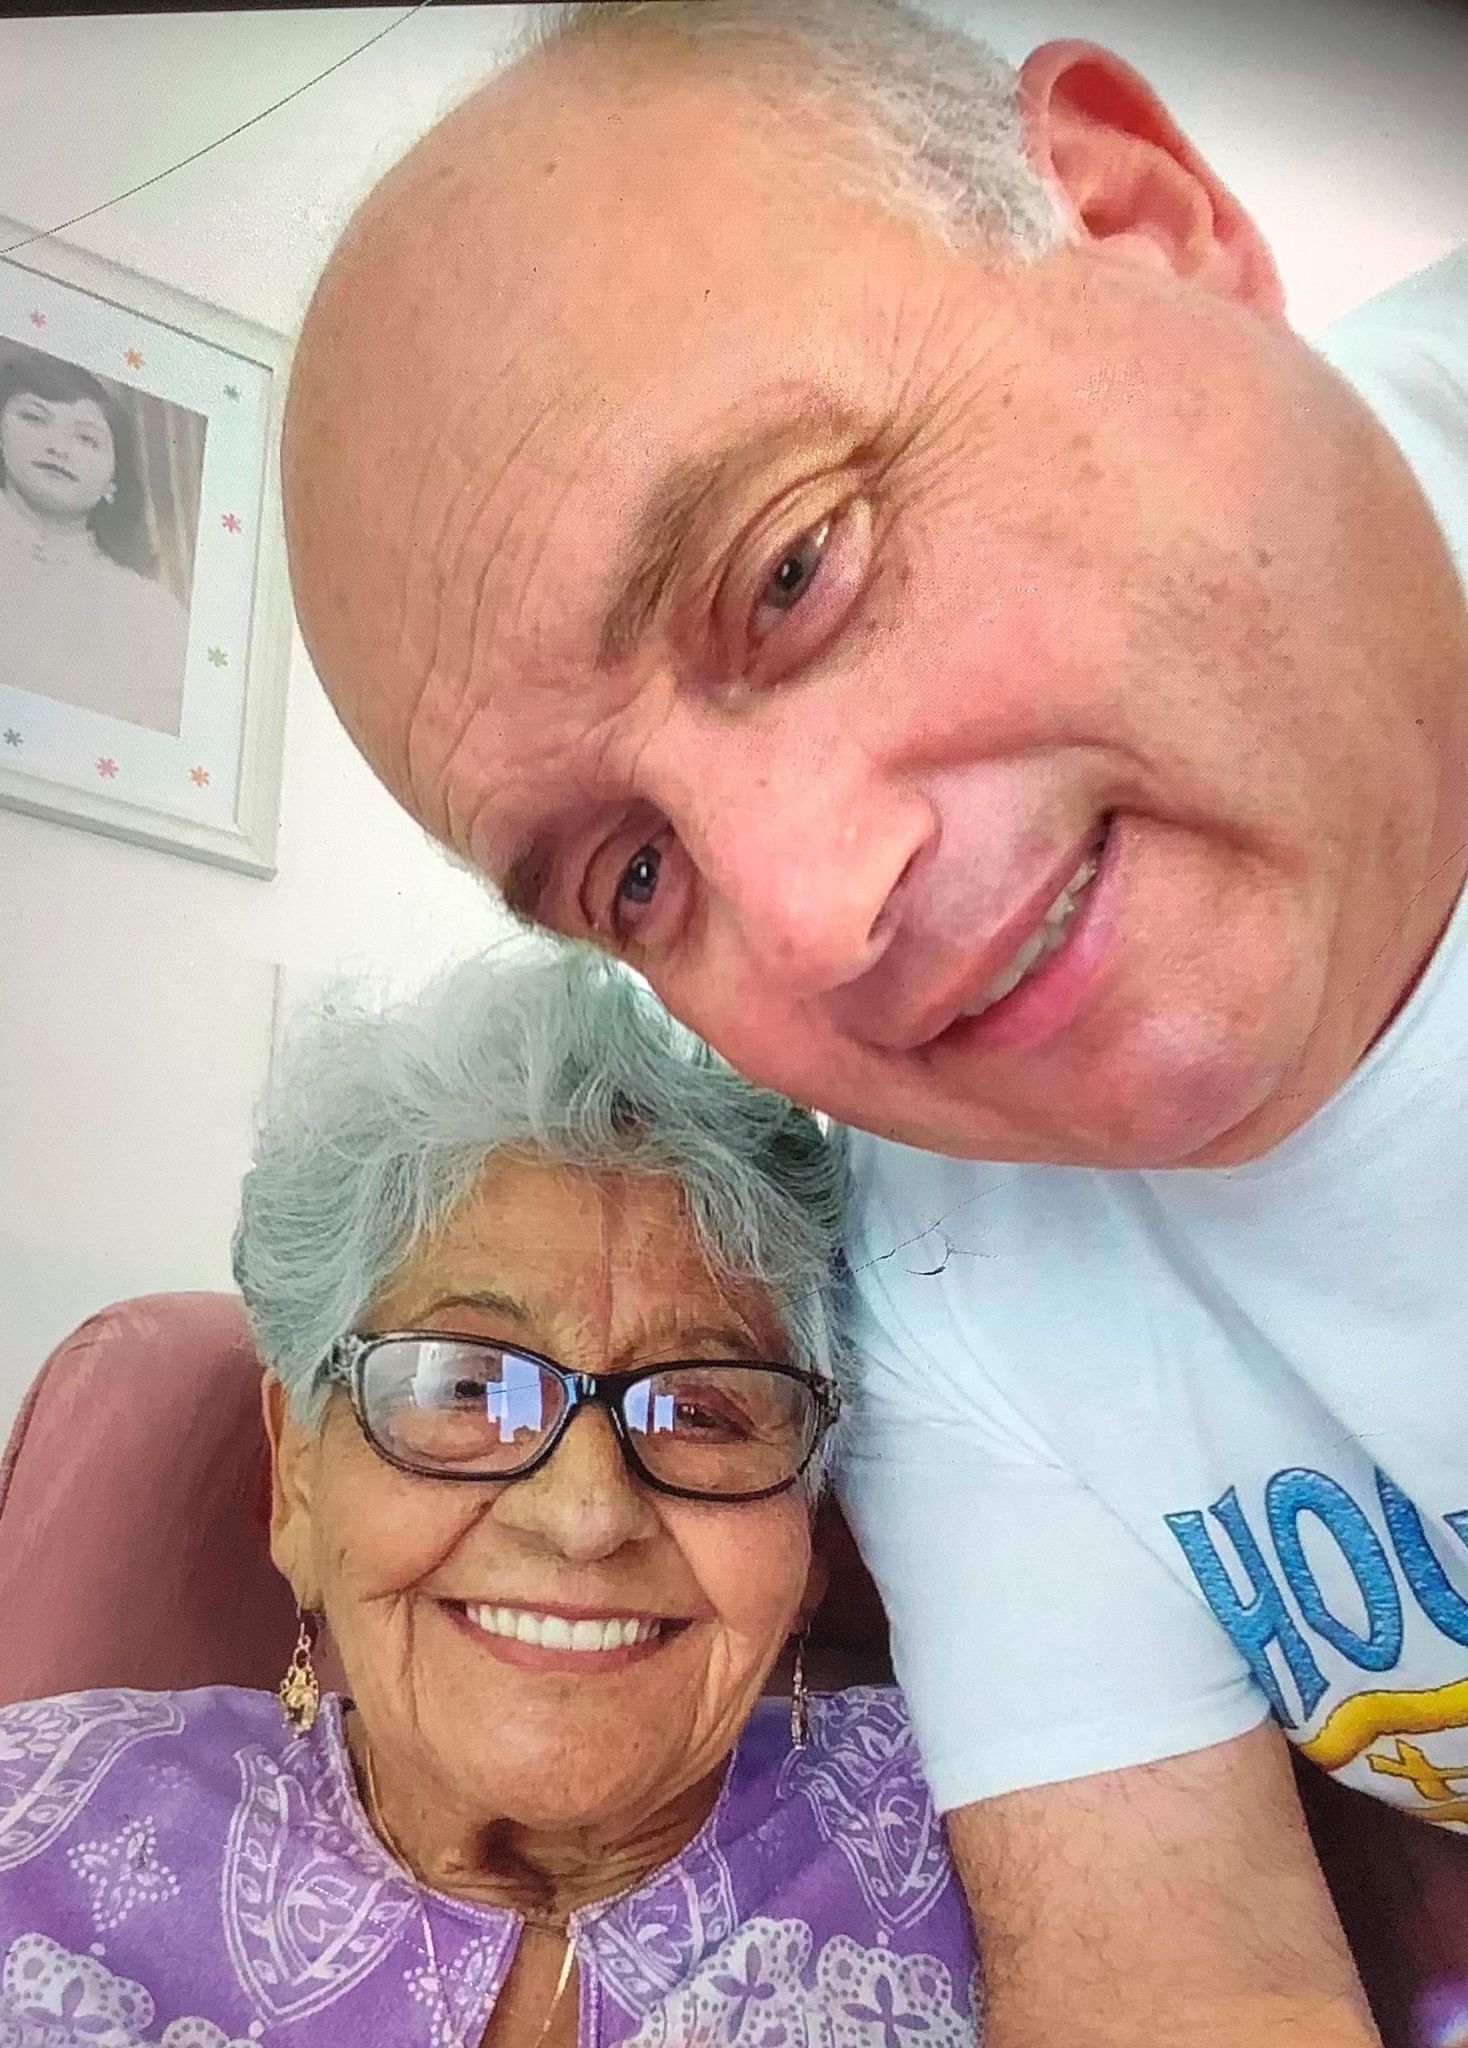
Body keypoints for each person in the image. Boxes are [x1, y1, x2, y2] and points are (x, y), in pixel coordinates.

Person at [279, 2, 1468, 2042]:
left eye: (794, 569)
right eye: (632, 876)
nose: (818, 916)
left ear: (1138, 217)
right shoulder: (930, 1270)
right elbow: (1179, 1977)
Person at [0, 950, 980, 2048]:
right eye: (467, 1387)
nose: (586, 1514)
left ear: (809, 1523)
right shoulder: (31, 1831)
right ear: (298, 1478)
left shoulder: (1000, 1827)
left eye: (700, 1410)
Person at [0, 350, 188, 734]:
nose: (59, 447)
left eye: (87, 439)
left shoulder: (150, 612)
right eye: (34, 418)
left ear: (113, 480)